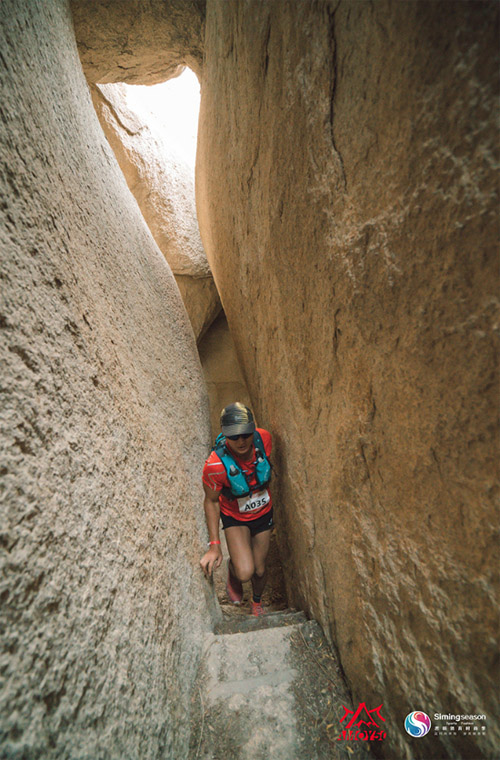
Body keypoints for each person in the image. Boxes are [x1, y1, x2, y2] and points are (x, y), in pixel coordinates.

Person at [199, 402, 274, 617]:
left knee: (259, 570)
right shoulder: (215, 466)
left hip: (263, 513)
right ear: (225, 435)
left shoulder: (264, 439)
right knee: (245, 572)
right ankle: (233, 570)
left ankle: (257, 602)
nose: (241, 441)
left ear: (253, 429)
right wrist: (215, 546)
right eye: (233, 436)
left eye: (245, 434)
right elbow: (211, 501)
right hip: (236, 517)